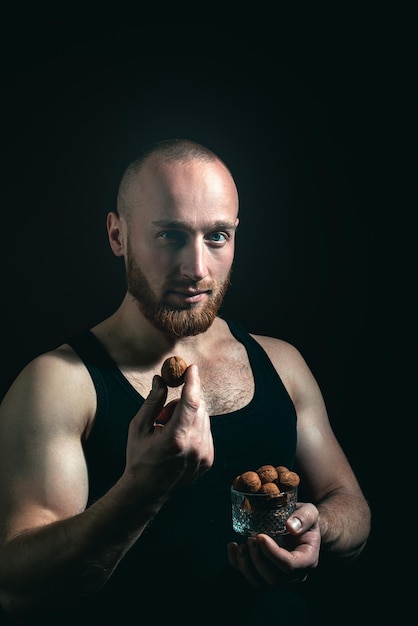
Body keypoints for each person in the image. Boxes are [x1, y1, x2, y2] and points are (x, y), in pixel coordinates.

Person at [0, 138, 371, 625]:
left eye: (217, 237)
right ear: (117, 235)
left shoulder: (283, 362)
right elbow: (17, 590)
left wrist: (317, 527)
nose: (197, 270)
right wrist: (141, 489)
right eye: (170, 236)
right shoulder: (58, 384)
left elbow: (352, 507)